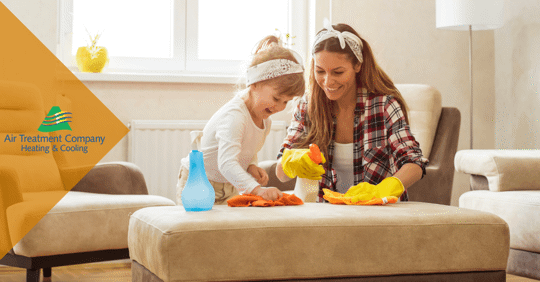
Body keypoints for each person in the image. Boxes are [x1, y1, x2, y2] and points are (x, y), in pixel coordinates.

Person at [276, 23, 428, 202]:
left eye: (338, 72)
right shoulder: (308, 106)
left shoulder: (384, 105)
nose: (327, 81)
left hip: (375, 214)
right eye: (320, 71)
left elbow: (414, 163)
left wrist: (386, 188)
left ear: (357, 65)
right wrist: (290, 162)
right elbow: (280, 173)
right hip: (324, 215)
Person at [176, 35, 306, 205]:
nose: (280, 107)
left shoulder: (265, 120)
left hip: (228, 185)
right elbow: (227, 163)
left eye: (286, 102)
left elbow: (247, 148)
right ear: (254, 83)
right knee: (195, 229)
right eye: (276, 98)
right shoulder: (235, 117)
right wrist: (258, 190)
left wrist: (251, 165)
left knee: (227, 230)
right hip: (199, 182)